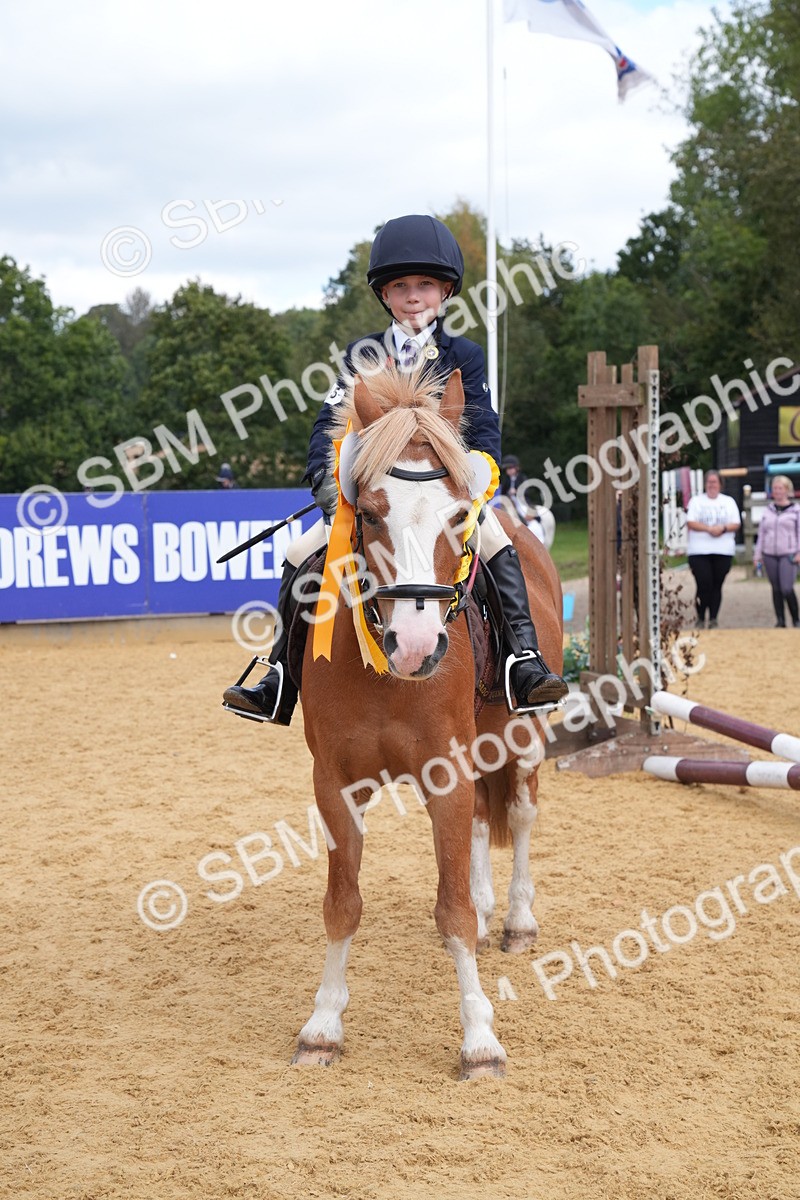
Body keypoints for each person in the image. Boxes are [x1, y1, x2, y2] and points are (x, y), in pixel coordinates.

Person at [223, 213, 568, 723]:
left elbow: (484, 432)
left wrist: (473, 482)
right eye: (401, 286)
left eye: (425, 286)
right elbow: (327, 428)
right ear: (384, 295)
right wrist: (329, 487)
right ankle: (279, 676)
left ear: (446, 290)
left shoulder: (463, 356)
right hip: (377, 500)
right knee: (300, 552)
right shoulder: (363, 354)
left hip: (443, 497)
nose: (413, 297)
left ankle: (523, 659)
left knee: (496, 541)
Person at [685, 470, 741, 629]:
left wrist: (722, 528)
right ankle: (701, 616)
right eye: (709, 482)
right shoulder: (696, 501)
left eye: (714, 482)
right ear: (705, 484)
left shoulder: (728, 502)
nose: (711, 485)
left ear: (720, 485)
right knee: (704, 583)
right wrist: (709, 529)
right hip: (700, 550)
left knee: (717, 584)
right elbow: (691, 522)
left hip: (722, 550)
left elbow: (736, 523)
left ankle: (714, 617)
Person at [753, 475, 800, 628]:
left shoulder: (796, 510)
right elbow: (761, 534)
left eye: (780, 488)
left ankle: (796, 619)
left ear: (787, 490)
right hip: (769, 554)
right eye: (775, 488)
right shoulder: (768, 510)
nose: (777, 491)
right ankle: (780, 620)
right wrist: (757, 555)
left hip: (789, 553)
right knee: (776, 588)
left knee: (787, 587)